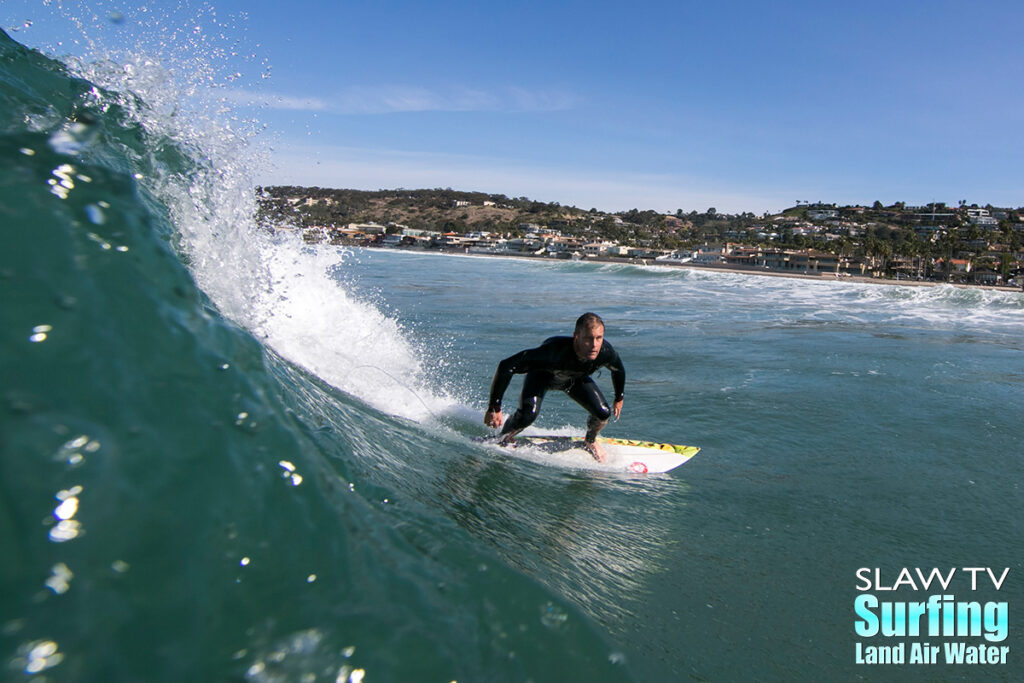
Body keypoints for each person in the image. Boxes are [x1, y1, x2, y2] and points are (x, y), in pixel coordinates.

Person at [484, 312, 625, 461]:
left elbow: (619, 369)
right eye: (588, 339)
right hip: (541, 377)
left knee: (603, 413)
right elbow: (506, 366)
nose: (594, 345)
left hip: (574, 380)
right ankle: (502, 438)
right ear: (576, 336)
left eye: (599, 338)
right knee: (528, 415)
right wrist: (495, 407)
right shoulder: (553, 353)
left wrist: (619, 397)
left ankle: (590, 440)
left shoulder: (605, 352)